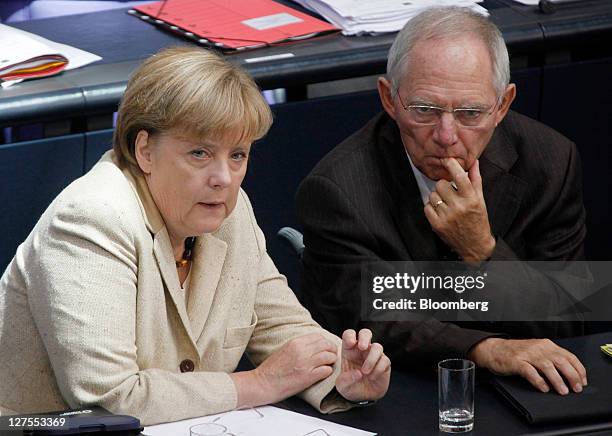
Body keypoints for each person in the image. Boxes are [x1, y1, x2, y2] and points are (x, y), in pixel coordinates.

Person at [0, 47, 390, 425]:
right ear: (145, 150)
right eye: (200, 154)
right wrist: (258, 383)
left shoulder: (228, 212)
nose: (223, 178)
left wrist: (343, 374)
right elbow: (109, 398)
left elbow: (282, 329)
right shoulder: (92, 220)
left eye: (237, 155)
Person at [296, 7, 588, 397]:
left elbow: (570, 316)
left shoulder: (550, 161)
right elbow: (374, 323)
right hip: (400, 387)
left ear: (502, 105)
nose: (446, 135)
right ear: (389, 98)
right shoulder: (338, 189)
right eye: (425, 110)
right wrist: (486, 348)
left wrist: (482, 250)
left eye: (470, 113)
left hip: (531, 384)